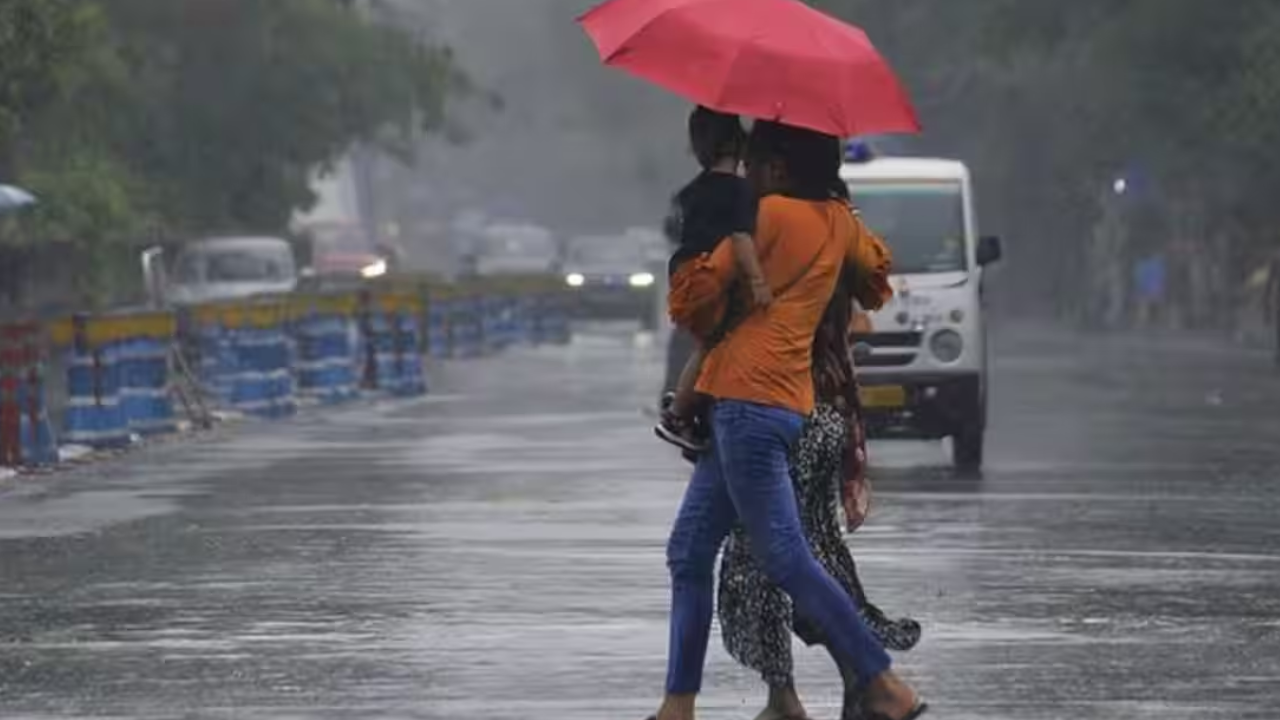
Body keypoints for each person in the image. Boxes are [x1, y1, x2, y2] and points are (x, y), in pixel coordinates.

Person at [648, 120, 927, 720]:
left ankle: (884, 683)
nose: (746, 172)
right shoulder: (838, 222)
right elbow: (876, 282)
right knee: (689, 552)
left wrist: (702, 244)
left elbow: (691, 299)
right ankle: (678, 704)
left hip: (745, 402)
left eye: (754, 162)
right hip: (782, 400)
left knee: (784, 555)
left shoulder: (766, 216)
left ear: (777, 168)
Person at [718, 269, 921, 720]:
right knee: (813, 552)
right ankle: (853, 684)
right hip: (823, 410)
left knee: (765, 560)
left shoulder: (772, 251)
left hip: (784, 413)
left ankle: (826, 689)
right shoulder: (832, 241)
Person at [655, 106, 772, 453]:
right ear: (739, 146)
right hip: (710, 278)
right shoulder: (739, 192)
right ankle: (679, 414)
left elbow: (676, 231)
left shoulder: (689, 192)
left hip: (684, 277)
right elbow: (740, 238)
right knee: (719, 344)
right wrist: (758, 281)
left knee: (708, 345)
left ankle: (691, 412)